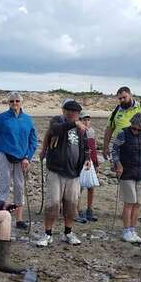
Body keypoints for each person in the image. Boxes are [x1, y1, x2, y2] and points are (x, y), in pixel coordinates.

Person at [36, 99, 91, 247]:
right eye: (69, 111)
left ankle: (68, 232)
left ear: (79, 113)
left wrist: (87, 158)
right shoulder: (57, 121)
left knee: (71, 205)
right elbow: (55, 130)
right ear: (64, 111)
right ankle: (47, 234)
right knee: (53, 204)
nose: (72, 114)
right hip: (56, 171)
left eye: (75, 112)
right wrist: (74, 124)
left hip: (74, 173)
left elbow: (86, 144)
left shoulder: (81, 127)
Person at [0, 91, 38, 230]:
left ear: (21, 102)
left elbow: (33, 140)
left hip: (22, 158)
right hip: (3, 154)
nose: (14, 103)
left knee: (19, 186)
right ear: (8, 103)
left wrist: (27, 157)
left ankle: (19, 219)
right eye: (12, 101)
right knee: (4, 185)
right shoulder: (2, 118)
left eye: (17, 101)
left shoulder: (28, 119)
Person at [112, 113, 141, 244]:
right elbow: (115, 150)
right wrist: (118, 164)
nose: (136, 131)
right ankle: (126, 231)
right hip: (126, 172)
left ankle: (133, 230)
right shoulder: (123, 133)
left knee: (138, 203)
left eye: (140, 130)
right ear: (131, 124)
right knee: (129, 202)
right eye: (134, 129)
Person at [103, 86, 141, 160]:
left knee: (139, 169)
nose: (122, 100)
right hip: (120, 150)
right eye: (120, 98)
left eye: (124, 97)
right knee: (120, 170)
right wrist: (105, 147)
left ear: (130, 95)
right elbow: (109, 129)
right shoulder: (116, 111)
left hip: (139, 148)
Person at [75, 110, 99, 223]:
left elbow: (93, 149)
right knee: (78, 188)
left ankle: (89, 209)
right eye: (84, 119)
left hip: (90, 163)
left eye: (88, 119)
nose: (87, 121)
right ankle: (77, 209)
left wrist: (96, 162)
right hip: (80, 162)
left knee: (91, 186)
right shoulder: (77, 132)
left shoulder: (92, 132)